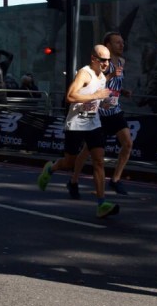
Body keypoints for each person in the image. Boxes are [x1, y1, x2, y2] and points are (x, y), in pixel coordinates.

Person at [36, 45, 120, 218]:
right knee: (69, 163)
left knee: (99, 162)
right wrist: (96, 96)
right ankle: (51, 169)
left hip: (93, 123)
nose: (106, 63)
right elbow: (70, 97)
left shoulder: (103, 77)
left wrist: (104, 102)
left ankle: (101, 203)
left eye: (108, 60)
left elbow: (95, 100)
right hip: (76, 124)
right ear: (93, 59)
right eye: (103, 60)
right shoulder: (85, 73)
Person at [68, 32, 134, 197]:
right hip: (98, 111)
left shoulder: (122, 62)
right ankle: (73, 181)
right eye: (118, 43)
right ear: (108, 45)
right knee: (87, 150)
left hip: (114, 110)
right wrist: (111, 76)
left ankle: (116, 180)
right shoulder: (102, 63)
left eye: (122, 42)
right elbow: (96, 81)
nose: (122, 45)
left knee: (127, 143)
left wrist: (122, 91)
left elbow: (114, 84)